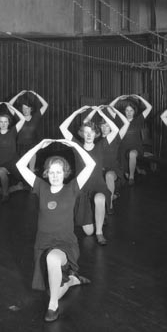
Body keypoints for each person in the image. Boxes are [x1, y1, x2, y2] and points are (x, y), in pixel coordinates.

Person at [15, 138, 96, 322]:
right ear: (46, 173)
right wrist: (38, 146)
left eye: (59, 172)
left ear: (65, 173)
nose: (55, 175)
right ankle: (72, 280)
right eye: (51, 172)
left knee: (53, 259)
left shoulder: (72, 188)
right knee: (54, 290)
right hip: (43, 244)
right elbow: (20, 165)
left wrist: (74, 145)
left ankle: (53, 307)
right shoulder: (41, 187)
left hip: (64, 244)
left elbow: (91, 164)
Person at [60, 105, 121, 245]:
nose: (88, 135)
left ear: (96, 134)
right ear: (82, 134)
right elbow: (62, 127)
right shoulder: (76, 146)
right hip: (82, 190)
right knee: (88, 232)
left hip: (98, 186)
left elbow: (115, 130)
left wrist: (101, 113)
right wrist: (76, 112)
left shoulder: (101, 146)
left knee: (100, 198)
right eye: (86, 132)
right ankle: (94, 217)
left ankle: (100, 232)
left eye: (91, 132)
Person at [86, 105, 129, 214]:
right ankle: (110, 195)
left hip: (113, 170)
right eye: (103, 126)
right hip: (98, 170)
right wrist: (94, 110)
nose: (104, 128)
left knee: (109, 175)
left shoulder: (116, 137)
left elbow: (126, 123)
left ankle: (110, 205)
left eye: (107, 126)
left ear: (111, 127)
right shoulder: (95, 138)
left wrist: (113, 111)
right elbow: (86, 122)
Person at [108, 93, 152, 185]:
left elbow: (149, 107)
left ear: (134, 111)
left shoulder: (139, 120)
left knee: (132, 154)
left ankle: (132, 177)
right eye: (127, 110)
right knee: (123, 173)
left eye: (131, 110)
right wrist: (118, 98)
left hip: (136, 148)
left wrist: (139, 97)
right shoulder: (119, 120)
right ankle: (135, 170)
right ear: (124, 111)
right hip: (122, 149)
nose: (129, 112)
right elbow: (109, 107)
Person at [9, 90, 48, 169]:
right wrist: (18, 95)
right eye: (23, 108)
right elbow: (9, 105)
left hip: (32, 146)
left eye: (27, 108)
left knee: (31, 169)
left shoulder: (36, 117)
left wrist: (36, 94)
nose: (25, 110)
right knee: (22, 169)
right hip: (20, 147)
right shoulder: (19, 117)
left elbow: (45, 105)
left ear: (31, 109)